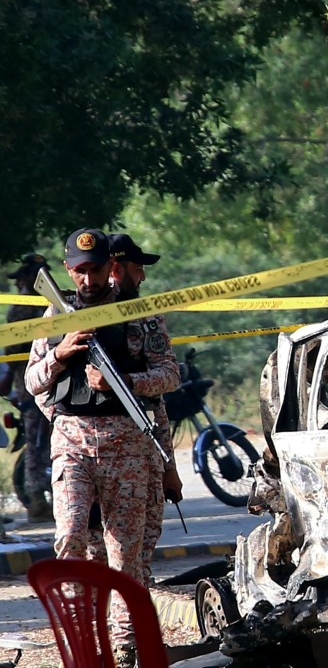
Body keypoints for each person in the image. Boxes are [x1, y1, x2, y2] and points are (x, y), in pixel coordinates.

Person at [24, 229, 180, 667]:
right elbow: (32, 382)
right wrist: (60, 353)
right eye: (79, 272)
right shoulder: (55, 314)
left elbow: (169, 376)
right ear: (67, 270)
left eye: (95, 271)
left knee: (124, 552)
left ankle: (126, 647)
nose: (87, 281)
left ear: (111, 266)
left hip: (127, 445)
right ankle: (79, 643)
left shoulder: (141, 315)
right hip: (72, 442)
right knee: (71, 536)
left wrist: (123, 381)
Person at [86, 233, 182, 588]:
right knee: (95, 556)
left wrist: (168, 466)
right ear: (115, 268)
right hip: (87, 453)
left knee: (137, 556)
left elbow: (166, 383)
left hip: (140, 453)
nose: (142, 276)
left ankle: (130, 620)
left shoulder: (147, 317)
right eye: (137, 268)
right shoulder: (73, 316)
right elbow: (44, 387)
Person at [4, 253, 53, 522]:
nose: (17, 284)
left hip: (53, 379)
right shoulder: (22, 309)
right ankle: (36, 498)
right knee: (36, 440)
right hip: (30, 384)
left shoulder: (50, 303)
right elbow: (13, 350)